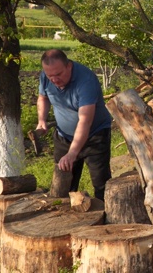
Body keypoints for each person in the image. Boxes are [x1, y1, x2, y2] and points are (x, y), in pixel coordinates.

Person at [36, 49, 112, 200]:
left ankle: (107, 218)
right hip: (64, 137)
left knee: (101, 184)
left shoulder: (86, 81)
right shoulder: (46, 76)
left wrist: (72, 153)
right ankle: (64, 219)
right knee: (63, 184)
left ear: (69, 66)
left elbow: (85, 120)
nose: (54, 79)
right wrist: (42, 120)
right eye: (50, 76)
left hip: (94, 136)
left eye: (58, 74)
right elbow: (43, 98)